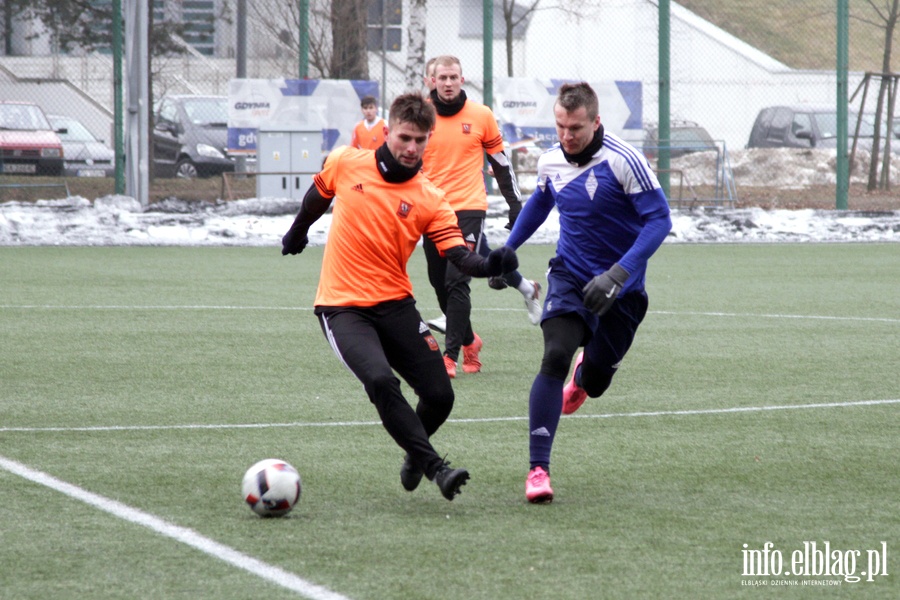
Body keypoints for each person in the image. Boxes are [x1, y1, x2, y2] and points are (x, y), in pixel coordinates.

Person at [281, 92, 519, 501]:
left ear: (429, 139)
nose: (412, 148)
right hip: (341, 307)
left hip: (395, 306)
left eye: (420, 140)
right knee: (380, 380)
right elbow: (316, 197)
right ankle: (434, 466)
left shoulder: (430, 197)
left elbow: (459, 257)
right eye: (404, 138)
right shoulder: (345, 161)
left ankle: (414, 449)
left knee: (441, 396)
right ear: (388, 132)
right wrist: (297, 231)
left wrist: (491, 264)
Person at [503, 82, 672, 504]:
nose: (566, 136)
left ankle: (584, 377)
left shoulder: (624, 160)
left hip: (624, 288)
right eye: (559, 126)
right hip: (571, 274)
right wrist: (507, 250)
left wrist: (618, 274)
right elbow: (540, 203)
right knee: (555, 354)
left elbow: (659, 221)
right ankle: (538, 469)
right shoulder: (550, 162)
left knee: (595, 382)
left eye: (575, 128)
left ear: (596, 122)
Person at [421, 55, 541, 377]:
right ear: (431, 80)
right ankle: (471, 341)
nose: (448, 83)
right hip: (430, 210)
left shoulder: (481, 115)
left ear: (462, 79)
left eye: (453, 77)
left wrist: (515, 205)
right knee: (439, 284)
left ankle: (449, 358)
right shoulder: (420, 115)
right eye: (442, 77)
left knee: (456, 280)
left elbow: (501, 163)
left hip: (469, 207)